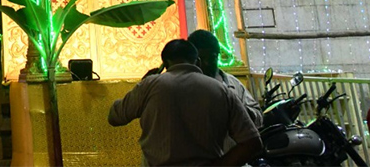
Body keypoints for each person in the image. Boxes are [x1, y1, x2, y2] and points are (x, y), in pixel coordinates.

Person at [108, 39, 260, 167]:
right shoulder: (221, 90)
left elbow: (115, 117)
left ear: (164, 64)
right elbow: (252, 142)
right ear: (197, 61)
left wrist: (142, 85)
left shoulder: (150, 85)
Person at [187, 30, 263, 130]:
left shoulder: (233, 84)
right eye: (201, 59)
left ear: (218, 55)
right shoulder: (186, 87)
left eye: (211, 58)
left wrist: (241, 112)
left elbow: (258, 116)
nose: (206, 63)